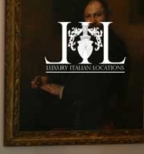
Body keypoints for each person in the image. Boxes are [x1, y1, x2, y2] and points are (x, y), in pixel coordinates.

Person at [22, 0, 128, 131]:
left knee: (33, 104)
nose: (92, 21)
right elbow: (67, 66)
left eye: (98, 15)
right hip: (73, 100)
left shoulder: (115, 46)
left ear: (107, 16)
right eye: (88, 16)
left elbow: (99, 87)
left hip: (91, 108)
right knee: (27, 97)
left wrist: (62, 91)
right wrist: (48, 79)